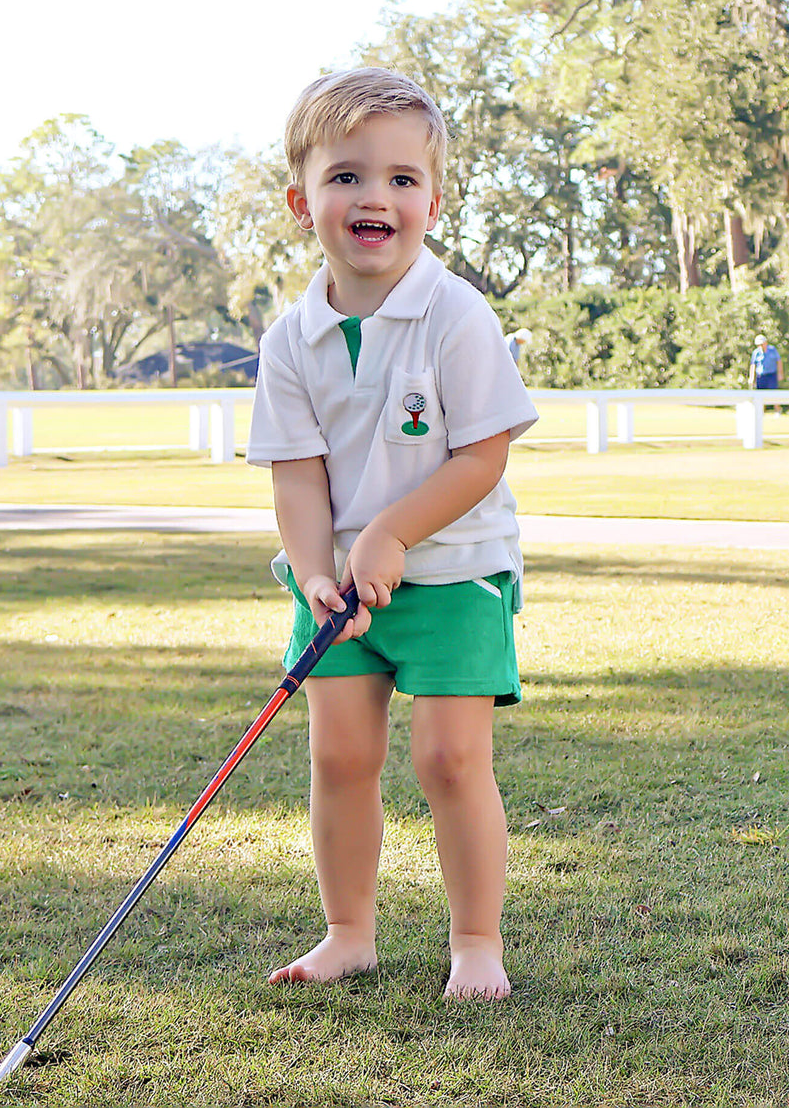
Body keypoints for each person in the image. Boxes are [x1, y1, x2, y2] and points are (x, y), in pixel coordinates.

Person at [246, 68, 538, 1001]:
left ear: (432, 202)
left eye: (402, 180)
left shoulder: (457, 314)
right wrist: (314, 570)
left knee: (448, 760)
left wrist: (390, 535)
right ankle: (349, 934)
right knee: (339, 756)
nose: (376, 196)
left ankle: (477, 942)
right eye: (348, 177)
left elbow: (482, 457)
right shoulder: (289, 340)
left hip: (454, 574)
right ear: (304, 203)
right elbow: (295, 473)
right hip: (338, 587)